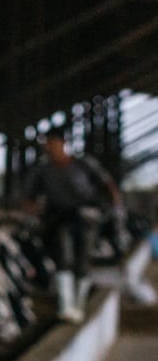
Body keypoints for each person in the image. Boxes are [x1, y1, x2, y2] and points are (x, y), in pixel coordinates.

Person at [22, 127, 122, 322]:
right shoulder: (43, 171)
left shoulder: (84, 164)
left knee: (83, 259)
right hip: (60, 218)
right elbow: (30, 196)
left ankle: (79, 302)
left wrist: (114, 207)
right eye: (46, 144)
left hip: (88, 217)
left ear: (62, 144)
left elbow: (107, 184)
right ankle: (66, 306)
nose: (48, 147)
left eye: (52, 143)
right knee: (64, 257)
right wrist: (31, 215)